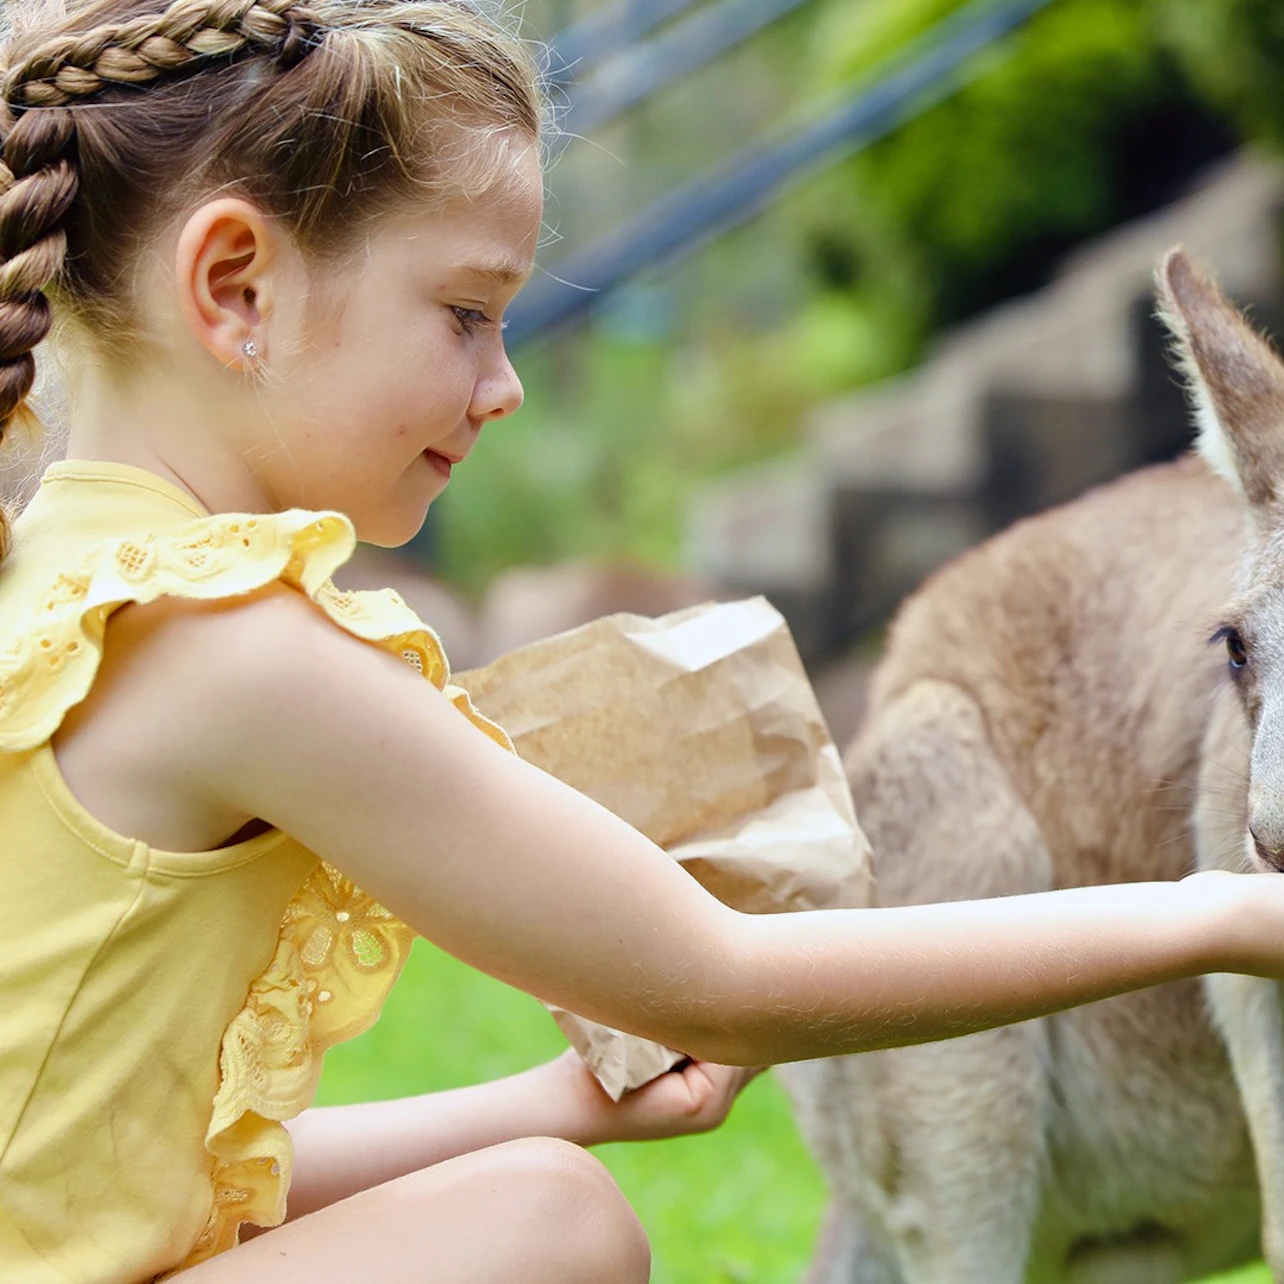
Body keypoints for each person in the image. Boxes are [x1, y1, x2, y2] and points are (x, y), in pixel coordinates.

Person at [0, 1, 1282, 1280]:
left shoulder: (54, 578)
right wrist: (1215, 917)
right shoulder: (233, 649)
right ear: (236, 287)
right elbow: (714, 976)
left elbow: (130, 1173)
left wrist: (560, 1102)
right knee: (548, 1229)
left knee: (535, 1179)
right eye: (464, 312)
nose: (506, 384)